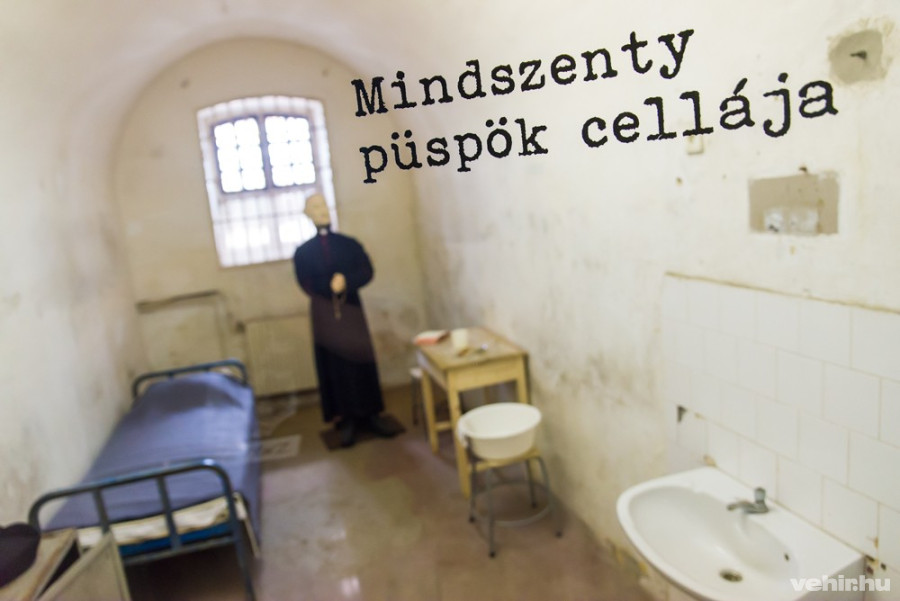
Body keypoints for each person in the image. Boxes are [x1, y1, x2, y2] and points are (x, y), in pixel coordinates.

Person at [292, 194, 397, 447]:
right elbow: (305, 282)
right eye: (316, 207)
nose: (322, 210)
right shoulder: (303, 252)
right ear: (307, 214)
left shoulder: (349, 244)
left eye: (324, 205)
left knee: (361, 359)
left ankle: (371, 413)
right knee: (335, 363)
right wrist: (328, 286)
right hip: (324, 313)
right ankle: (345, 418)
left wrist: (347, 281)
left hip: (351, 309)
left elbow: (366, 270)